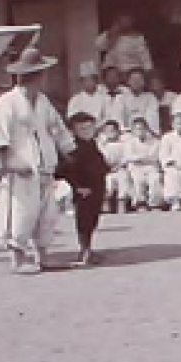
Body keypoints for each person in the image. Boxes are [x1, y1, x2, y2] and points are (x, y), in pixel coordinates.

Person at [0, 47, 76, 273]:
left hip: (44, 165)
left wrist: (68, 149)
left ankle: (43, 255)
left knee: (47, 213)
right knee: (21, 213)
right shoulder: (7, 103)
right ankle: (17, 259)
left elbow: (57, 127)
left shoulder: (43, 101)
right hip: (19, 166)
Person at [59, 113, 109, 266]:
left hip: (97, 186)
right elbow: (68, 169)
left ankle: (88, 248)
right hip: (83, 188)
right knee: (84, 219)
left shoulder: (93, 144)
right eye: (82, 128)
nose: (86, 131)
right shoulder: (73, 147)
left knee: (94, 218)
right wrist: (78, 186)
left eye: (89, 127)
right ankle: (85, 249)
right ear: (73, 130)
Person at [120, 115, 162, 211]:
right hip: (135, 167)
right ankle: (140, 203)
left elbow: (154, 156)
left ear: (146, 129)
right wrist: (141, 158)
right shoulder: (129, 142)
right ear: (133, 130)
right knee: (138, 180)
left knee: (155, 179)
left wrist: (141, 159)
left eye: (142, 128)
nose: (140, 131)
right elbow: (129, 156)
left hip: (151, 166)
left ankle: (154, 204)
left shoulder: (155, 141)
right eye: (137, 129)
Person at [99, 120, 129, 213]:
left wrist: (119, 166)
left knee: (123, 178)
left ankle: (121, 203)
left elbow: (126, 157)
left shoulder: (124, 144)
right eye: (107, 131)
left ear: (117, 131)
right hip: (106, 170)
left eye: (112, 130)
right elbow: (99, 159)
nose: (110, 133)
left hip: (120, 169)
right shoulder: (100, 145)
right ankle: (105, 205)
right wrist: (107, 168)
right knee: (106, 180)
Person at [120, 68, 161, 136]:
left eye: (139, 79)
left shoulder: (150, 98)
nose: (136, 81)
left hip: (146, 133)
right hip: (126, 134)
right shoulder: (120, 98)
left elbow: (152, 120)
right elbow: (118, 119)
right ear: (128, 82)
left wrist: (141, 131)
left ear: (144, 82)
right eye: (133, 79)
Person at [147, 70, 178, 135]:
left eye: (157, 83)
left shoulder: (173, 96)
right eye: (152, 84)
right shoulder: (148, 97)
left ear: (163, 83)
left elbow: (176, 115)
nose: (155, 87)